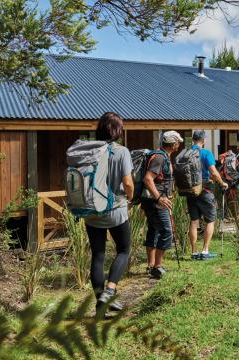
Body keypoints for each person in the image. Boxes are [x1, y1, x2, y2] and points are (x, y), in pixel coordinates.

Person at [84, 112, 134, 312]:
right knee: (123, 250)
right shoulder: (121, 152)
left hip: (91, 210)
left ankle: (100, 303)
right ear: (118, 131)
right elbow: (128, 183)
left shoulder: (88, 151)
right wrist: (130, 198)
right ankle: (110, 290)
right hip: (115, 209)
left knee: (98, 255)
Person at [142, 130, 183, 279]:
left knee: (154, 230)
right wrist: (159, 197)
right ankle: (157, 267)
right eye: (178, 142)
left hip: (151, 200)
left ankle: (151, 265)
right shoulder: (159, 158)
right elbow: (148, 179)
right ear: (173, 144)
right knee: (167, 231)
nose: (179, 144)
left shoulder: (161, 155)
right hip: (156, 201)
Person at [187, 130, 228, 260]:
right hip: (205, 190)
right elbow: (214, 172)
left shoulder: (186, 153)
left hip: (190, 190)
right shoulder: (206, 153)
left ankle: (194, 252)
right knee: (210, 220)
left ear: (193, 139)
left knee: (194, 221)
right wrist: (222, 183)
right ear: (203, 140)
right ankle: (205, 251)